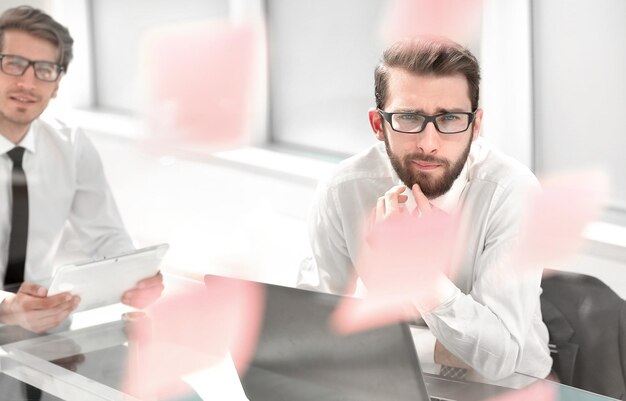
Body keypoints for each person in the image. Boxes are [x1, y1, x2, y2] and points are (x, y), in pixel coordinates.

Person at [297, 37, 552, 380]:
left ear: (475, 126)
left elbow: (499, 359)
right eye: (407, 117)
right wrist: (436, 350)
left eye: (449, 118)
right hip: (384, 382)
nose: (428, 143)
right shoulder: (343, 189)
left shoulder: (513, 192)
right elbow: (312, 328)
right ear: (378, 125)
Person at [0, 6, 163, 333]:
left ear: (57, 83)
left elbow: (106, 235)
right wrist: (6, 308)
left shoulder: (70, 144)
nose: (27, 82)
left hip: (43, 332)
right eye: (14, 64)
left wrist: (134, 276)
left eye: (44, 69)